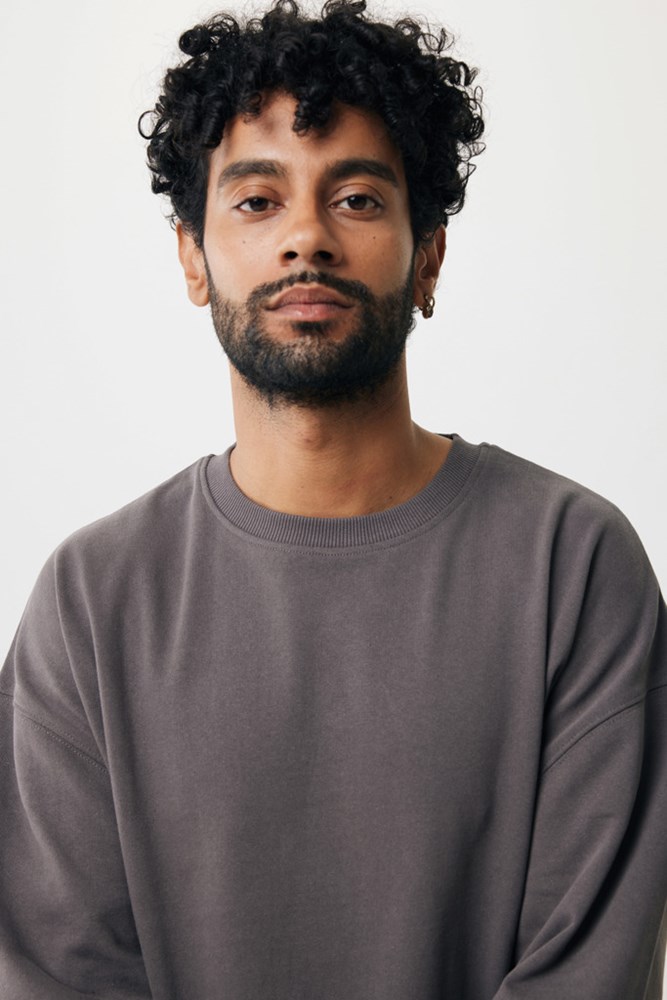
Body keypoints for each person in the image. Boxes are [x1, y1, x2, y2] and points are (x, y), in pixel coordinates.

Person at [1, 0, 665, 996]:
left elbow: (588, 974)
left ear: (427, 253)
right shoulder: (91, 601)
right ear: (191, 256)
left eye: (355, 198)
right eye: (256, 201)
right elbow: (60, 975)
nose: (305, 237)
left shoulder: (570, 566)